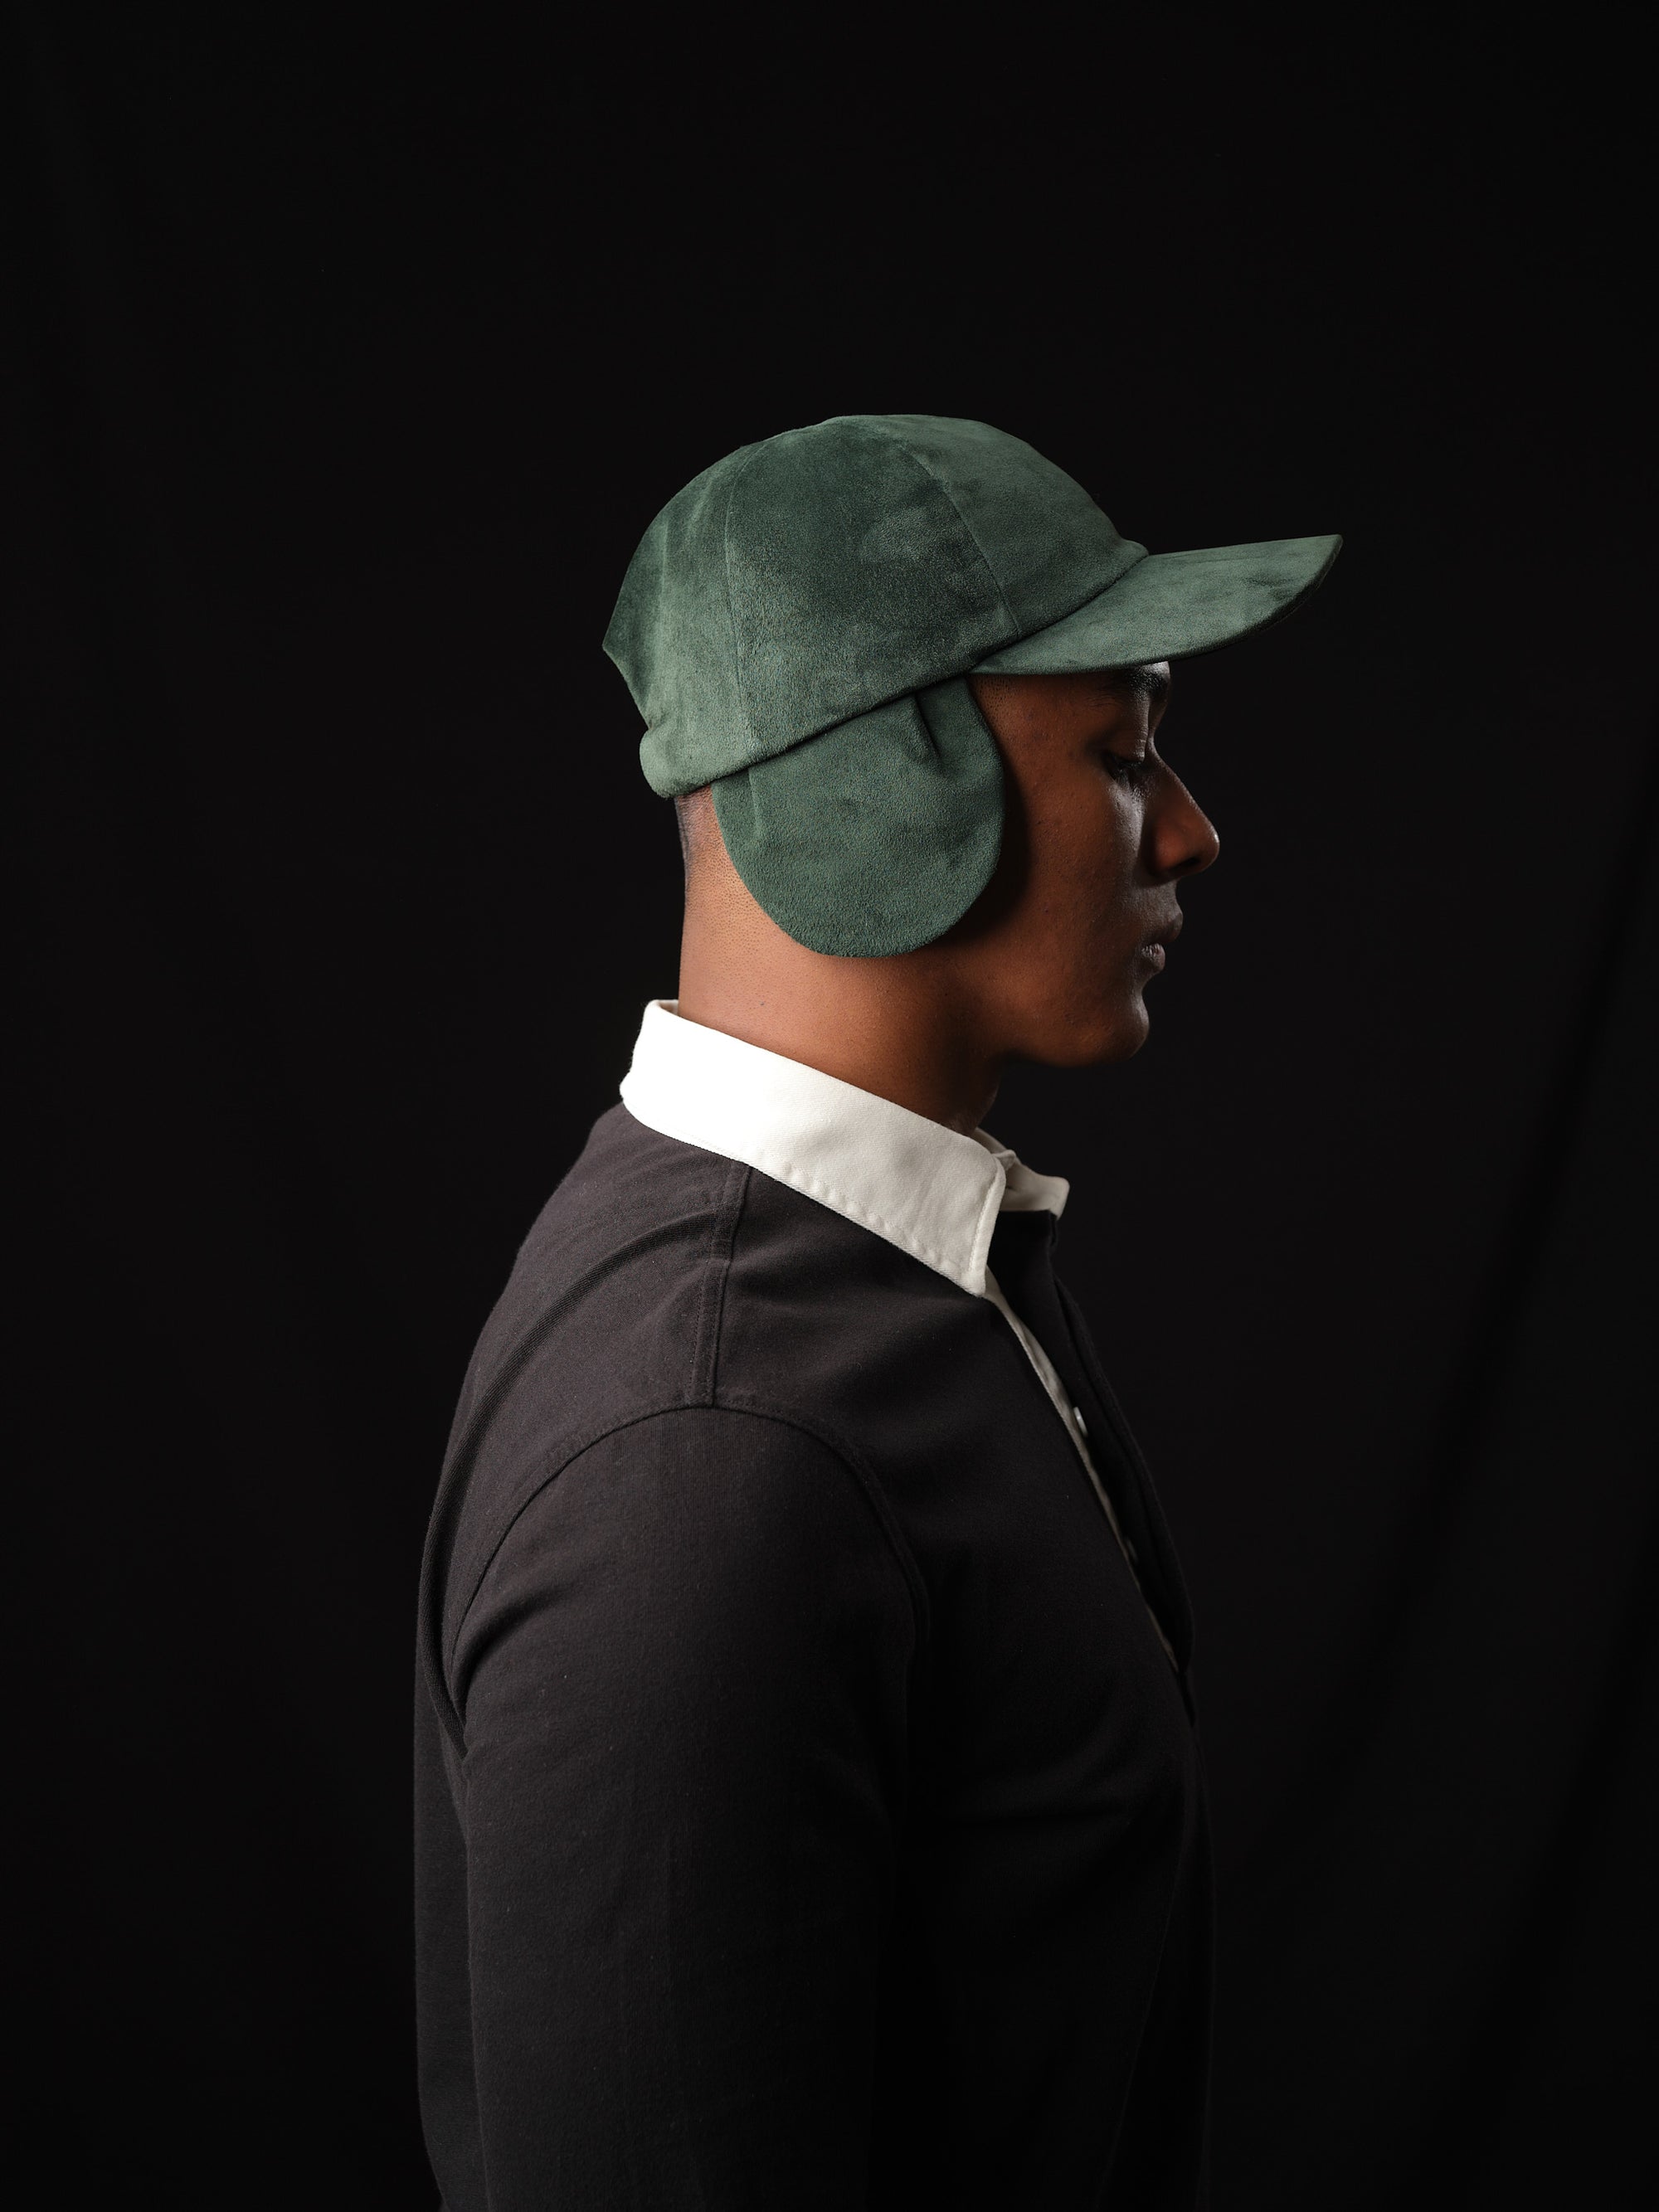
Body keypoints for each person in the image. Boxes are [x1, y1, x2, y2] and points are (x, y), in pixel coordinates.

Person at [414, 414, 1340, 2210]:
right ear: (879, 790)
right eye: (1127, 750)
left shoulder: (886, 1292)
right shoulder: (703, 1451)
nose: (1196, 831)